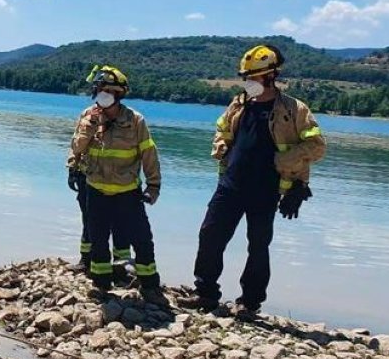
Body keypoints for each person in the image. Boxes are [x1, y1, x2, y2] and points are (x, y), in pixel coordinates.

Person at [180, 44, 326, 321]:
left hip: (266, 189)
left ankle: (250, 302)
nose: (248, 82)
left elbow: (316, 146)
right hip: (231, 185)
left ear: (270, 76)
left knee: (258, 246)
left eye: (253, 77)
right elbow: (222, 130)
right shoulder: (239, 103)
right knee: (210, 235)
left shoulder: (294, 109)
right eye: (246, 77)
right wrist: (221, 147)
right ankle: (206, 293)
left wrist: (290, 169)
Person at [68, 65, 164, 305]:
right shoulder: (88, 116)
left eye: (108, 91)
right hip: (96, 189)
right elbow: (76, 148)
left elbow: (149, 154)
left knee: (142, 239)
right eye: (100, 89)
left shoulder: (135, 121)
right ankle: (101, 285)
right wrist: (73, 167)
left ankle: (150, 286)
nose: (103, 94)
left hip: (127, 192)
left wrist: (153, 186)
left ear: (119, 95)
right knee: (98, 238)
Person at [67, 109, 134, 284]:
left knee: (120, 222)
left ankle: (121, 268)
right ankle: (86, 260)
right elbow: (76, 142)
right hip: (87, 173)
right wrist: (72, 168)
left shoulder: (129, 117)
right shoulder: (88, 114)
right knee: (89, 219)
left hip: (118, 180)